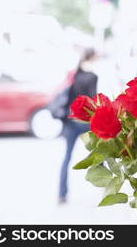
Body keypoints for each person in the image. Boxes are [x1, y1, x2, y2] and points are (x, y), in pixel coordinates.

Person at [58, 48, 98, 204]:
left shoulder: (74, 72)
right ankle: (105, 180)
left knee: (66, 157)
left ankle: (62, 194)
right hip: (85, 121)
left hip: (70, 119)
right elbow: (93, 99)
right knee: (101, 149)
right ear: (93, 58)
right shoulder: (93, 76)